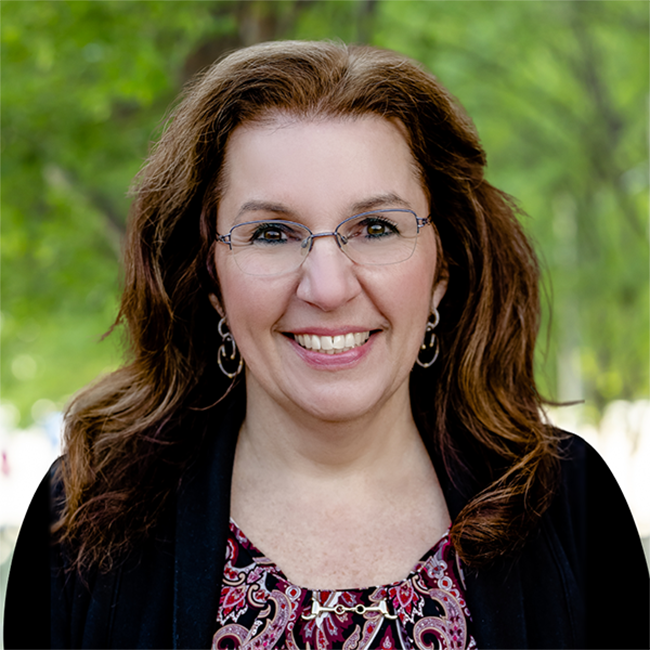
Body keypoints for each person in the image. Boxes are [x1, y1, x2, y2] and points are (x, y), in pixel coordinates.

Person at [4, 40, 649, 650]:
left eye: (375, 227)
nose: (329, 286)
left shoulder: (568, 504)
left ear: (441, 270)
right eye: (272, 234)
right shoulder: (85, 531)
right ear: (210, 280)